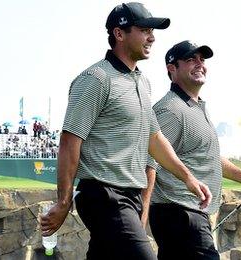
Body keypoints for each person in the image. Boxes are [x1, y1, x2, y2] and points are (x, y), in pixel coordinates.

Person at [39, 3, 212, 259]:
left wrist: (188, 178)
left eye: (152, 31)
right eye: (144, 30)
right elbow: (69, 140)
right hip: (104, 195)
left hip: (128, 196)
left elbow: (155, 138)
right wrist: (64, 202)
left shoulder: (142, 81)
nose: (152, 37)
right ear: (119, 34)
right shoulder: (96, 78)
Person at [142, 40, 241, 260]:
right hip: (180, 214)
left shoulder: (194, 108)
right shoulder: (170, 110)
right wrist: (142, 218)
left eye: (202, 60)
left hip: (189, 215)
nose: (199, 64)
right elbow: (150, 163)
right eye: (190, 59)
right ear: (172, 69)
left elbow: (207, 156)